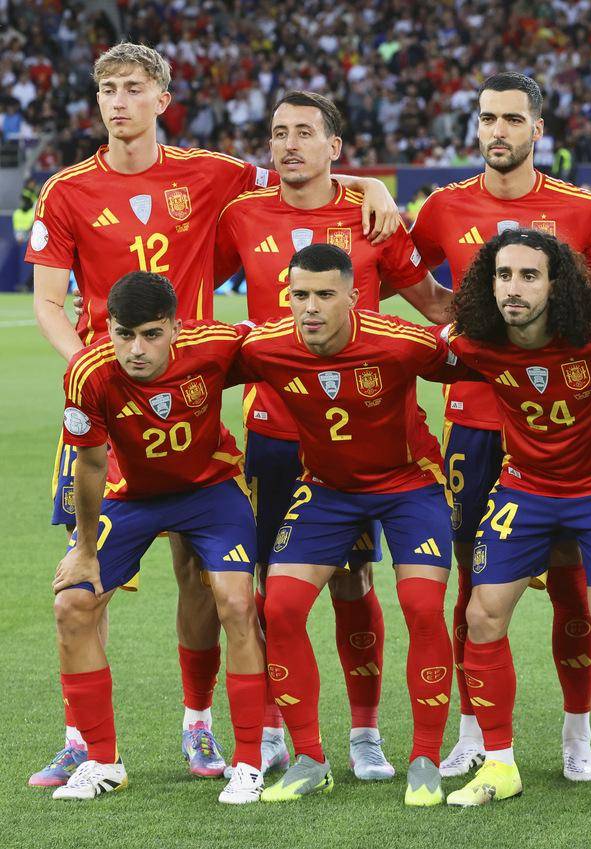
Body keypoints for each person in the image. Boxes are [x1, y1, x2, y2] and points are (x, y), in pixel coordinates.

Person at [26, 41, 401, 786]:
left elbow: (301, 172)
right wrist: (93, 374)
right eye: (108, 89)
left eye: (134, 88)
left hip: (193, 402)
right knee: (84, 573)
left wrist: (369, 185)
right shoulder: (66, 190)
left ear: (162, 99)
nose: (119, 101)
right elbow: (47, 302)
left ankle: (198, 727)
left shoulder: (213, 173)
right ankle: (78, 739)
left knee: (202, 576)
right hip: (107, 402)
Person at [214, 89, 453, 780]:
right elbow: (191, 286)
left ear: (334, 147)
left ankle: (365, 733)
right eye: (278, 132)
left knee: (354, 580)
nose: (289, 144)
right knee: (271, 589)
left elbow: (433, 304)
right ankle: (274, 731)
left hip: (367, 438)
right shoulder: (242, 213)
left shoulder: (372, 214)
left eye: (304, 132)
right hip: (274, 432)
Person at [408, 71, 591, 782]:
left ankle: (577, 733)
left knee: (574, 586)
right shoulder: (442, 206)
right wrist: (472, 328)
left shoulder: (582, 209)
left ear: (538, 128)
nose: (497, 130)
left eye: (511, 119)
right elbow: (413, 282)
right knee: (472, 583)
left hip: (567, 429)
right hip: (475, 424)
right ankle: (474, 731)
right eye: (487, 118)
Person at [233, 244, 462, 805]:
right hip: (328, 490)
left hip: (409, 484)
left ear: (354, 297)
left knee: (422, 606)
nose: (310, 307)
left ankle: (425, 759)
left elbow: (480, 358)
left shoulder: (400, 341)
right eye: (300, 295)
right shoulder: (266, 346)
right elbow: (191, 358)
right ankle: (310, 759)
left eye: (324, 295)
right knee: (280, 607)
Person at [440, 228, 591, 814]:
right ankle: (499, 765)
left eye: (529, 276)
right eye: (503, 275)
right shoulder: (475, 340)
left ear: (556, 286)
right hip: (525, 487)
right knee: (481, 614)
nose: (513, 288)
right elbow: (422, 351)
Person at [50, 272, 266, 804]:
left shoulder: (214, 345)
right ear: (108, 328)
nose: (136, 349)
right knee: (72, 604)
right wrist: (84, 551)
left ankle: (248, 762)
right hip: (132, 497)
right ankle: (102, 761)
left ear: (174, 327)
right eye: (124, 335)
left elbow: (280, 348)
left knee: (237, 603)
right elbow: (90, 464)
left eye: (151, 334)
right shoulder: (88, 373)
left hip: (211, 490)